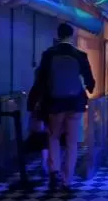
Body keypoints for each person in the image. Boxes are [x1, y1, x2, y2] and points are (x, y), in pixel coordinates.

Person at [30, 23, 95, 191]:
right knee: (72, 142)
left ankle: (54, 172)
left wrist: (33, 102)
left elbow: (41, 81)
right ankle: (68, 180)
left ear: (58, 35)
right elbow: (90, 80)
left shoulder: (49, 54)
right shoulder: (80, 55)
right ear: (71, 36)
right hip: (75, 104)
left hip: (54, 104)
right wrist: (89, 87)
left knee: (53, 137)